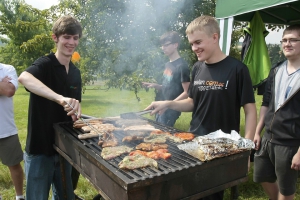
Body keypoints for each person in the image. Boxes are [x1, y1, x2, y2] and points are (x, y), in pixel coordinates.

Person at [145, 15, 257, 200]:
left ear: (214, 37)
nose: (194, 48)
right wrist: (168, 103)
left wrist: (247, 150)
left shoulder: (237, 69)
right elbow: (192, 102)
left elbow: (250, 110)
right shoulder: (197, 68)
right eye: (191, 44)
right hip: (194, 141)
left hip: (223, 147)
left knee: (211, 195)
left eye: (198, 42)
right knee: (188, 191)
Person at [18, 15, 83, 200]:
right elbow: (24, 78)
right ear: (55, 37)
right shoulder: (45, 64)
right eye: (67, 37)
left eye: (75, 38)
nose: (71, 42)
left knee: (65, 196)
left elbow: (73, 109)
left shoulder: (76, 73)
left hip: (64, 148)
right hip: (40, 149)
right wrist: (60, 98)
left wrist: (77, 113)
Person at [253, 24, 300, 200]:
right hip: (267, 139)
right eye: (284, 40)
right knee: (262, 177)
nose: (287, 44)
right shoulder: (276, 70)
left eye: (293, 40)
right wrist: (258, 131)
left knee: (286, 189)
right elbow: (266, 103)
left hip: (289, 143)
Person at [142, 31, 190, 127]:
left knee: (162, 135)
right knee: (156, 131)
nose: (163, 48)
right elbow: (169, 86)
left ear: (175, 45)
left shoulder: (182, 66)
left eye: (166, 45)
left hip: (170, 110)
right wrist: (157, 86)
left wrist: (168, 105)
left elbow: (187, 92)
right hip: (160, 104)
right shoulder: (168, 64)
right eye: (162, 45)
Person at [0, 63, 25, 200]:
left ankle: (19, 196)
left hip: (6, 129)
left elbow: (9, 90)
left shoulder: (7, 69)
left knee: (14, 164)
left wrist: (5, 86)